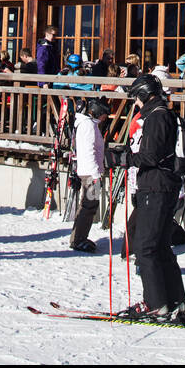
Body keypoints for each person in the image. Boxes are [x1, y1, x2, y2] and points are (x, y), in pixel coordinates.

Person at [106, 73, 185, 324]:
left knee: (145, 248)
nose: (135, 103)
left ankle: (157, 305)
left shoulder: (157, 116)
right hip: (163, 186)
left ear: (144, 94)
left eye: (136, 97)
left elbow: (151, 156)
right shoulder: (162, 114)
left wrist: (121, 160)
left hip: (156, 187)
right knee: (159, 247)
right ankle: (175, 302)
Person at [69, 97, 108, 253]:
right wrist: (95, 174)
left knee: (88, 204)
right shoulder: (88, 126)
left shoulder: (88, 124)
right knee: (89, 205)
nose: (105, 118)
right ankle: (78, 239)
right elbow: (89, 151)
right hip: (91, 173)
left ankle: (78, 237)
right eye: (104, 114)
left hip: (90, 171)